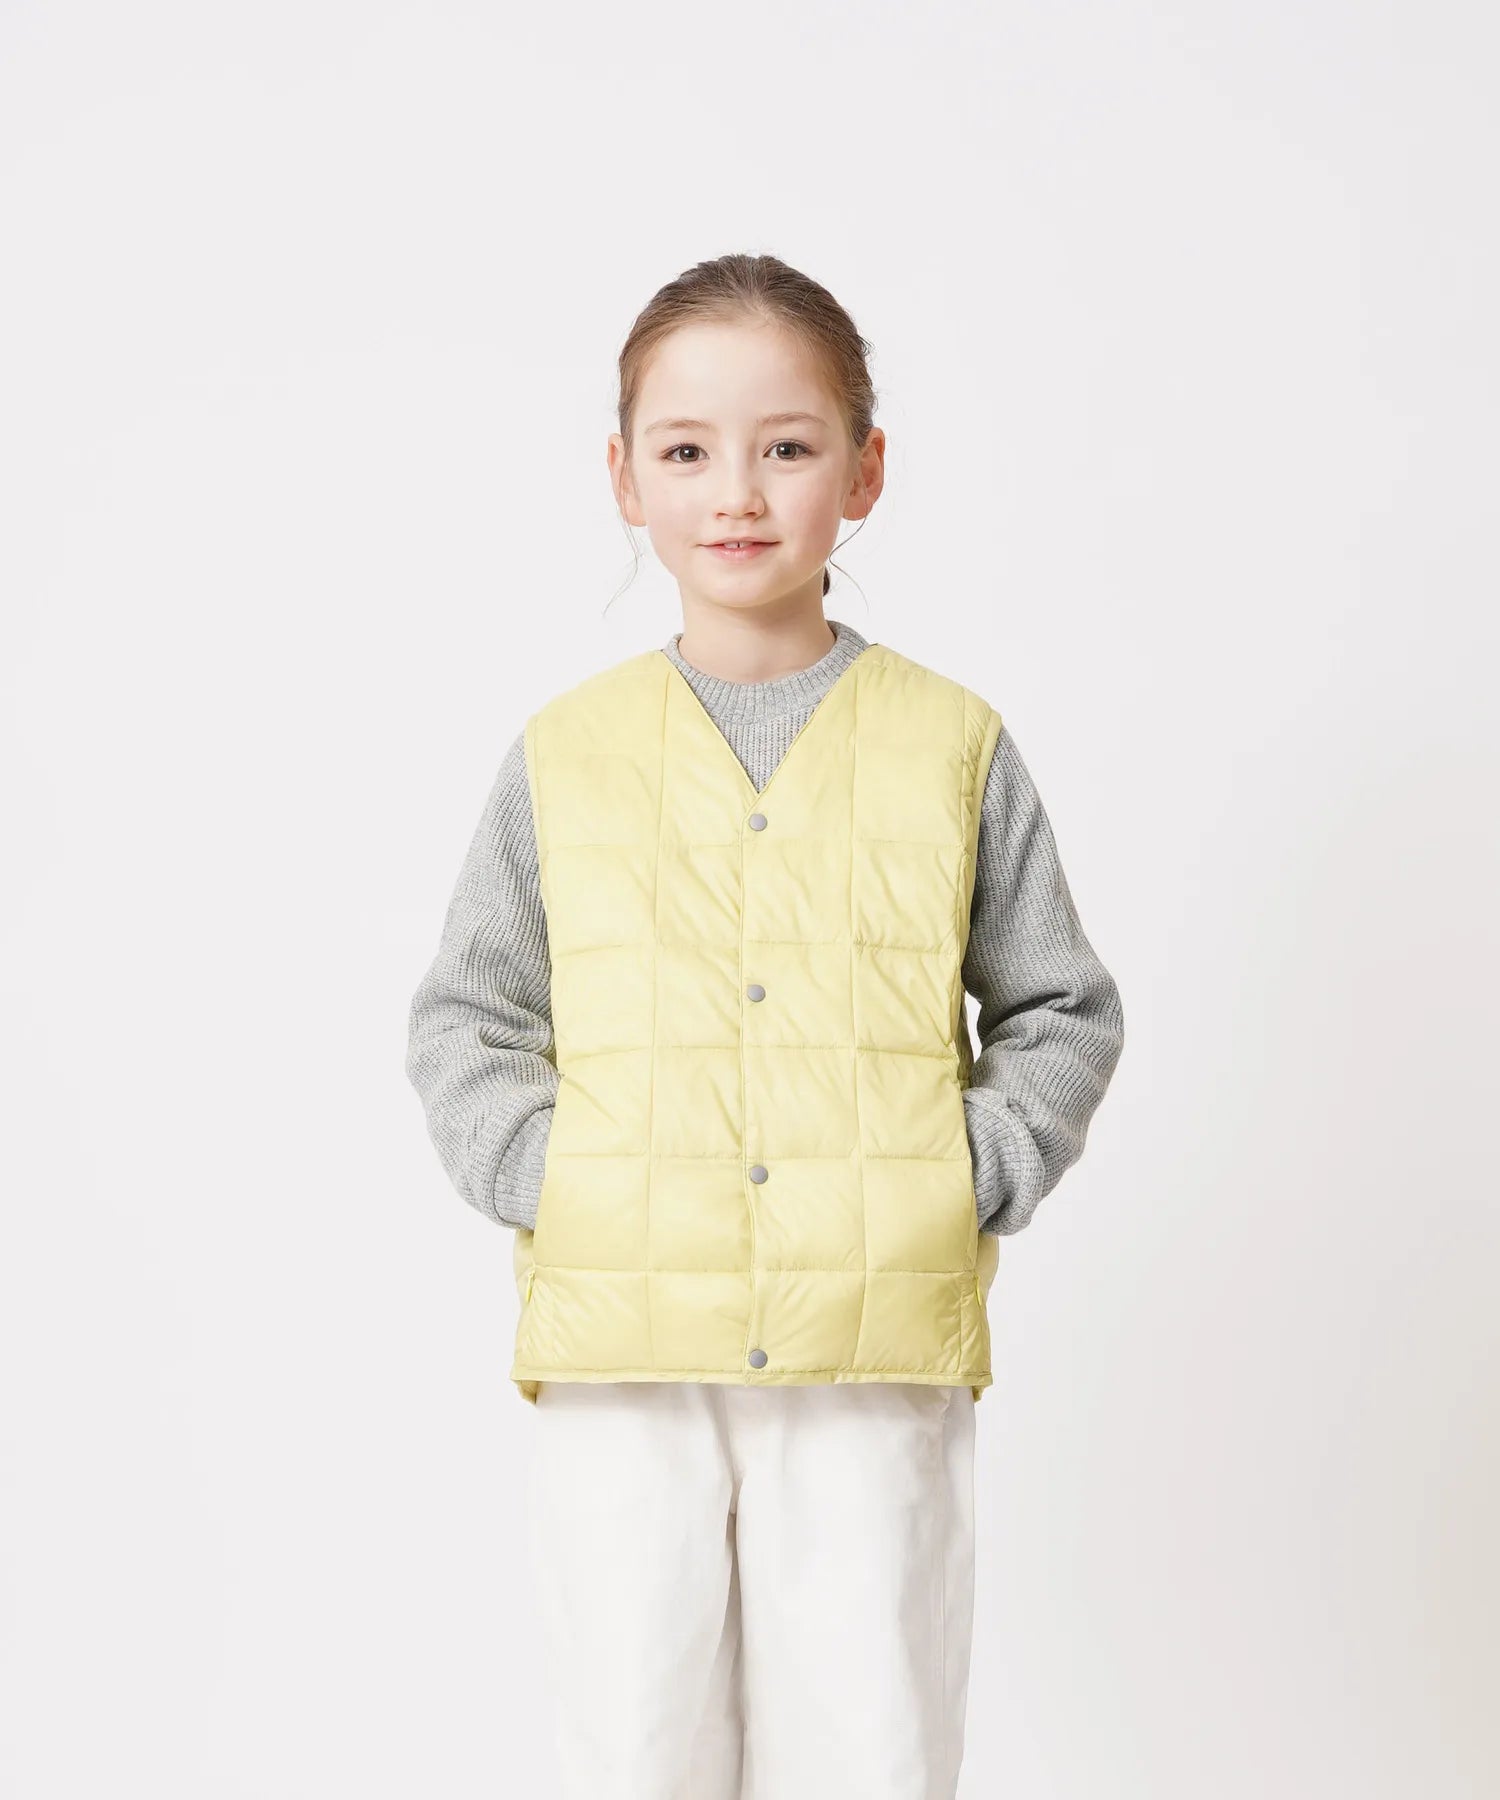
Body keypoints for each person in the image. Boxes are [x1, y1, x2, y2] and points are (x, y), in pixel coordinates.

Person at [404, 252, 1125, 1799]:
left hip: (874, 1342)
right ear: (623, 477)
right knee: (636, 1748)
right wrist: (559, 1181)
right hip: (622, 1355)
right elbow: (470, 1012)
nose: (737, 491)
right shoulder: (567, 754)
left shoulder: (951, 744)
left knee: (872, 1743)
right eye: (686, 449)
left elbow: (1060, 1002)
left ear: (865, 471)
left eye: (788, 445)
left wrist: (964, 1175)